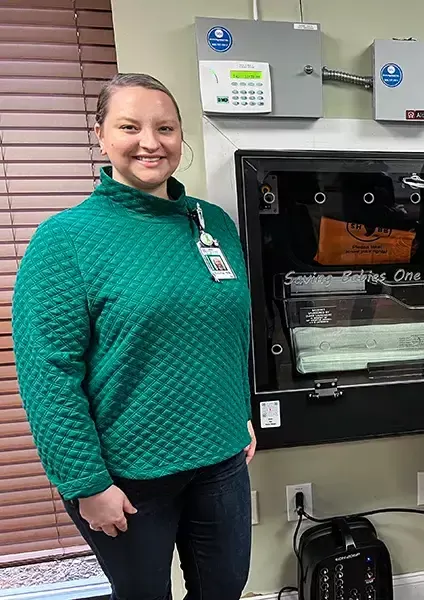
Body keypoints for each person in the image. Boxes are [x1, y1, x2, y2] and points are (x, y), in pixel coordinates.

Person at [11, 73, 255, 599]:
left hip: (221, 459)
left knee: (225, 590)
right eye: (130, 126)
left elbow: (230, 333)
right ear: (101, 135)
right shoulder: (65, 240)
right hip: (128, 473)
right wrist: (86, 484)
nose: (151, 141)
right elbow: (47, 374)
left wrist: (241, 415)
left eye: (165, 127)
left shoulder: (212, 224)